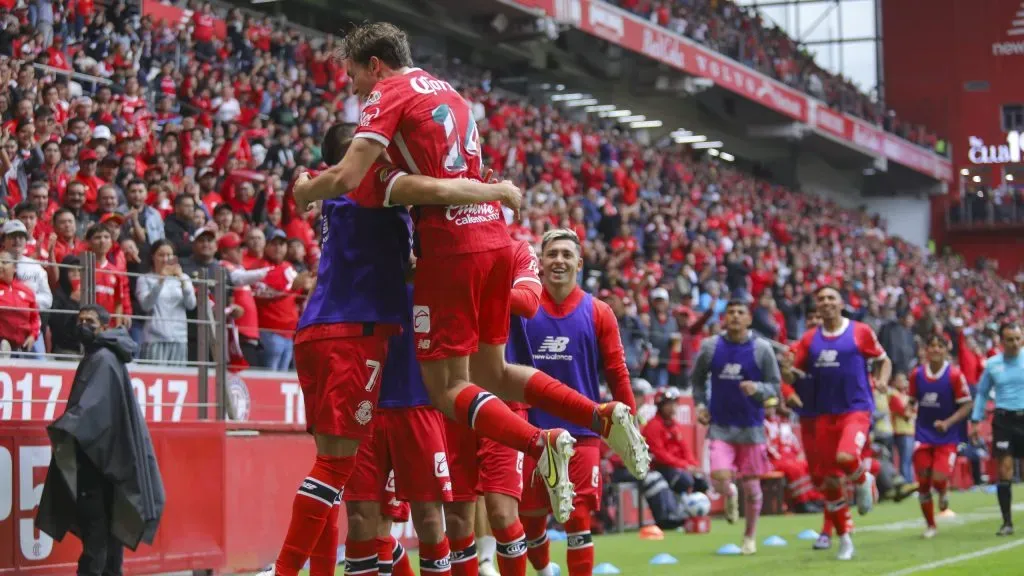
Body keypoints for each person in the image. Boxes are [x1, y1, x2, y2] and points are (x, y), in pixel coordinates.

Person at [294, 22, 649, 523]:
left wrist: (306, 190)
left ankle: (541, 442)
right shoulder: (449, 93)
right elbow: (453, 176)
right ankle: (600, 413)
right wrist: (495, 195)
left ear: (375, 65)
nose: (352, 89)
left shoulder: (387, 96)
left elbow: (359, 178)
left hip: (454, 250)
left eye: (353, 75)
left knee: (446, 388)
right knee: (493, 373)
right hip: (495, 241)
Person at [264, 123, 529, 576]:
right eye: (373, 149)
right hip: (352, 336)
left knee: (344, 483)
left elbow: (402, 265)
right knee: (338, 477)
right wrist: (495, 190)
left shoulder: (337, 193)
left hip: (326, 333)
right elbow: (437, 189)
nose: (383, 156)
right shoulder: (369, 183)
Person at [519, 229, 637, 576]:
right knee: (531, 522)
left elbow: (617, 370)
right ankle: (543, 570)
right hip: (529, 433)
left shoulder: (599, 312)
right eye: (552, 254)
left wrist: (629, 422)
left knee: (578, 520)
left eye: (567, 255)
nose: (559, 260)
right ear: (540, 262)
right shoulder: (523, 307)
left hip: (583, 432)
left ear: (579, 263)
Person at [37, 304, 165, 576]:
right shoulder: (106, 355)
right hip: (112, 464)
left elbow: (89, 411)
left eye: (91, 321)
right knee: (110, 536)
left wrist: (64, 426)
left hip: (96, 466)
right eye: (80, 319)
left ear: (104, 326)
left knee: (96, 540)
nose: (83, 325)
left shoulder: (102, 358)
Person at [445, 238, 541, 576]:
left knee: (502, 513)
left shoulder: (518, 250)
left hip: (504, 400)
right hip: (451, 398)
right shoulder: (438, 247)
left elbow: (528, 302)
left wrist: (467, 284)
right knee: (456, 520)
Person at [343, 283, 452, 576]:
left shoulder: (437, 281)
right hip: (364, 409)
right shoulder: (360, 275)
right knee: (360, 520)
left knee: (429, 520)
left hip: (419, 407)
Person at [781, 286, 892, 561]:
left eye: (831, 297)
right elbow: (793, 376)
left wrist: (883, 381)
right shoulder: (809, 340)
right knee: (829, 481)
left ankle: (863, 478)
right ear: (817, 307)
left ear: (841, 303)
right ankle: (844, 538)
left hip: (856, 409)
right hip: (822, 414)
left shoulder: (860, 331)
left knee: (846, 456)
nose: (826, 302)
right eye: (821, 299)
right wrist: (785, 369)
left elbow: (883, 359)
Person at [691, 300, 781, 556]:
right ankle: (729, 493)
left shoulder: (762, 349)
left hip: (751, 428)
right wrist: (699, 405)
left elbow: (775, 386)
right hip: (720, 426)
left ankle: (749, 537)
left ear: (749, 319)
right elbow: (697, 380)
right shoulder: (711, 347)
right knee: (719, 477)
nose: (735, 317)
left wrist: (758, 389)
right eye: (730, 312)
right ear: (724, 317)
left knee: (752, 488)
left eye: (740, 313)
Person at [908, 334, 974, 538]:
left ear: (946, 350)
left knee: (939, 477)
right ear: (925, 350)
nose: (935, 349)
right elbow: (912, 400)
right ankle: (930, 525)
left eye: (939, 346)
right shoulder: (916, 375)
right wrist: (907, 408)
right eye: (931, 345)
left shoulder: (954, 375)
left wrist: (947, 423)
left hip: (947, 436)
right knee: (924, 481)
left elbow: (967, 404)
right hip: (923, 434)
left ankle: (944, 492)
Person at [970, 322, 1024, 536]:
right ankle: (1007, 522)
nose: (1014, 343)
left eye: (1017, 338)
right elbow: (982, 393)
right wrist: (975, 420)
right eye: (1009, 339)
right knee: (1005, 470)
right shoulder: (993, 365)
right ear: (1002, 342)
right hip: (1003, 420)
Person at [135, 239, 197, 365]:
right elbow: (146, 306)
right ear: (153, 257)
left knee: (177, 380)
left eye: (169, 255)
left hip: (179, 338)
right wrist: (160, 281)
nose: (165, 259)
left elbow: (191, 305)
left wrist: (182, 281)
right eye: (161, 255)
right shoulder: (144, 279)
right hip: (154, 338)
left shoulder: (184, 278)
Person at [643, 387, 708, 495]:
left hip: (678, 467)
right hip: (661, 468)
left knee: (702, 483)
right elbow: (660, 455)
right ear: (661, 405)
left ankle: (694, 511)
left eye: (675, 403)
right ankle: (678, 511)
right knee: (685, 481)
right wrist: (685, 466)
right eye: (669, 404)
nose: (673, 407)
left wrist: (692, 465)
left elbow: (685, 448)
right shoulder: (653, 426)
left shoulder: (675, 425)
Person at [0, 250, 40, 355]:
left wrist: (33, 335)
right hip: (2, 344)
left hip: (24, 346)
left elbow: (35, 319)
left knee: (41, 359)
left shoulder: (27, 291)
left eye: (4, 262)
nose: (0, 265)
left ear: (14, 268)